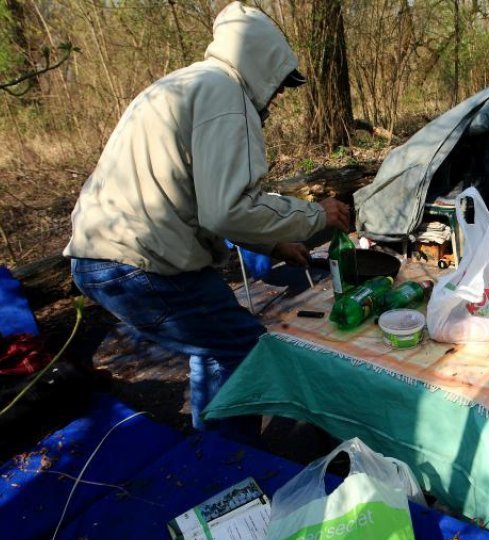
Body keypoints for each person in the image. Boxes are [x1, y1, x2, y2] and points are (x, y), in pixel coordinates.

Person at [63, 1, 349, 436]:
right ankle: (232, 468)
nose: (277, 97)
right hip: (140, 262)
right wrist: (314, 216)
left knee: (215, 345)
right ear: (262, 69)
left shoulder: (186, 83)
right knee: (246, 349)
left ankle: (211, 456)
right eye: (279, 86)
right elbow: (229, 208)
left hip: (102, 253)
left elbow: (200, 197)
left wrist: (272, 244)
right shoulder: (228, 96)